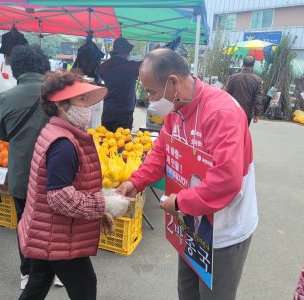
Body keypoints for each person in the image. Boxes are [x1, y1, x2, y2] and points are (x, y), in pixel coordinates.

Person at [117, 49, 258, 300]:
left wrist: (180, 203)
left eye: (151, 92)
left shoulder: (221, 112)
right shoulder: (176, 109)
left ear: (173, 82)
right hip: (190, 223)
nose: (149, 100)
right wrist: (135, 182)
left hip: (224, 229)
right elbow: (161, 152)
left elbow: (227, 179)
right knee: (188, 291)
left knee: (215, 295)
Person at [18, 72, 130, 300]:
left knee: (37, 285)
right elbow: (59, 197)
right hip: (59, 234)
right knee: (85, 287)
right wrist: (104, 204)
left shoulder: (56, 131)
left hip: (46, 229)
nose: (87, 107)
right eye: (81, 101)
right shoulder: (64, 144)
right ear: (61, 105)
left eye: (87, 100)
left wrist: (98, 213)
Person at [0, 45, 53, 289]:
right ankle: (56, 271)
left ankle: (27, 273)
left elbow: (2, 133)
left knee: (25, 225)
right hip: (55, 174)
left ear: (16, 69)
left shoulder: (7, 97)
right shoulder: (58, 95)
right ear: (44, 67)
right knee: (54, 225)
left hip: (22, 175)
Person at [99, 37, 140, 132]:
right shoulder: (131, 67)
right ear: (127, 52)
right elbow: (149, 64)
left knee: (106, 141)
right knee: (122, 143)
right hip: (124, 113)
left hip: (108, 111)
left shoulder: (103, 66)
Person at [226, 55, 263, 126]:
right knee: (243, 133)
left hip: (233, 110)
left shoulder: (233, 77)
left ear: (243, 64)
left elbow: (227, 95)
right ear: (253, 65)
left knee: (232, 133)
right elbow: (258, 99)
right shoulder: (257, 80)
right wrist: (256, 114)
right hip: (247, 113)